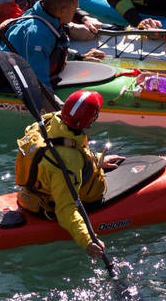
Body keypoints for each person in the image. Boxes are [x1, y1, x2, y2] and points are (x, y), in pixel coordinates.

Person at [15, 89, 123, 258]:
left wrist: (97, 160)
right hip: (51, 206)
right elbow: (65, 209)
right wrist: (87, 240)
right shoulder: (69, 161)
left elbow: (61, 150)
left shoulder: (47, 124)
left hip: (34, 193)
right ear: (91, 120)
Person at [0, 0, 105, 91]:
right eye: (73, 11)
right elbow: (36, 81)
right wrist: (52, 104)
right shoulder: (37, 35)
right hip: (22, 83)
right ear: (63, 11)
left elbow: (53, 48)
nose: (73, 15)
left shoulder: (47, 17)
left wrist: (79, 57)